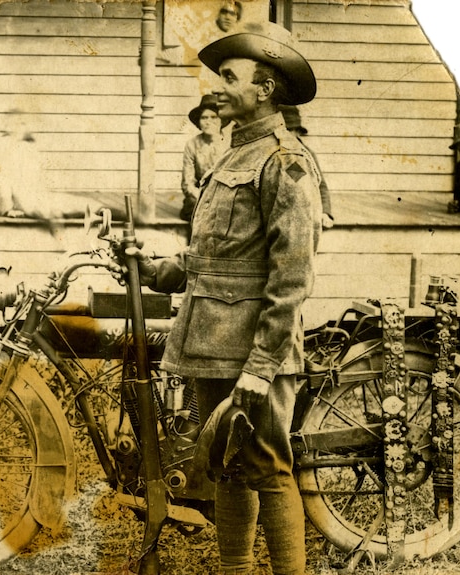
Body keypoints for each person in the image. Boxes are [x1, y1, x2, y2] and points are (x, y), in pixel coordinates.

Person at [128, 22, 321, 575]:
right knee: (229, 465)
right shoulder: (230, 155)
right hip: (213, 340)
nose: (216, 86)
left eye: (230, 77)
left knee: (268, 467)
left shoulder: (284, 162)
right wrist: (156, 267)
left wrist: (262, 368)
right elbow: (214, 256)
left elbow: (291, 277)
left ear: (265, 89)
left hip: (253, 350)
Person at [280, 105, 334, 229]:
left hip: (306, 218)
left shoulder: (307, 155)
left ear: (297, 132)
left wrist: (325, 212)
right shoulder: (273, 154)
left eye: (289, 131)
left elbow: (320, 185)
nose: (286, 136)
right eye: (283, 131)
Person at [180, 94, 228, 224]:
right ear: (199, 122)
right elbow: (187, 182)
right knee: (197, 211)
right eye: (204, 118)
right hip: (198, 196)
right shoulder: (192, 144)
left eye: (214, 117)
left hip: (224, 196)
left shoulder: (230, 144)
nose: (208, 122)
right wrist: (200, 197)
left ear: (221, 120)